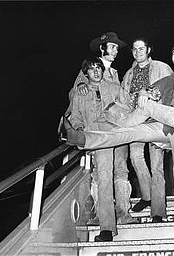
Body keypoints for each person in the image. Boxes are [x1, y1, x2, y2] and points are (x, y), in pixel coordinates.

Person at [62, 41, 174, 239]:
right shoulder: (161, 80)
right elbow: (140, 96)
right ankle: (84, 139)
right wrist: (144, 93)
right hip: (159, 125)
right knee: (131, 127)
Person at [66, 32, 135, 229]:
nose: (115, 51)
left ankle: (123, 211)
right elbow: (75, 98)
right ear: (102, 49)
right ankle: (100, 213)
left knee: (121, 168)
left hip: (115, 130)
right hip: (96, 132)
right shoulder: (86, 70)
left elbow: (122, 100)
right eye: (111, 47)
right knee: (100, 173)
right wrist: (80, 85)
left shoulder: (113, 73)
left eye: (116, 48)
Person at [119, 37, 173, 221]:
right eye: (135, 49)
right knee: (135, 157)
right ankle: (147, 197)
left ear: (149, 50)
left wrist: (148, 93)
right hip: (136, 122)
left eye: (141, 49)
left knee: (156, 166)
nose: (138, 52)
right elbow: (123, 99)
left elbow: (170, 90)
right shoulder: (128, 74)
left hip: (156, 121)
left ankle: (158, 211)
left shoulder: (161, 67)